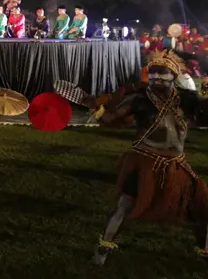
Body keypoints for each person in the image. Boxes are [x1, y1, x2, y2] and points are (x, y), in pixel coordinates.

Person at [88, 50, 208, 266]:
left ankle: (205, 251)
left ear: (174, 76)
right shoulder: (140, 100)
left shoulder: (186, 99)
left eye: (161, 75)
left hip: (175, 164)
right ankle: (101, 252)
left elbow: (205, 111)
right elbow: (110, 118)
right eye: (151, 76)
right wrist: (95, 108)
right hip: (144, 160)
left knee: (200, 206)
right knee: (124, 207)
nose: (155, 79)